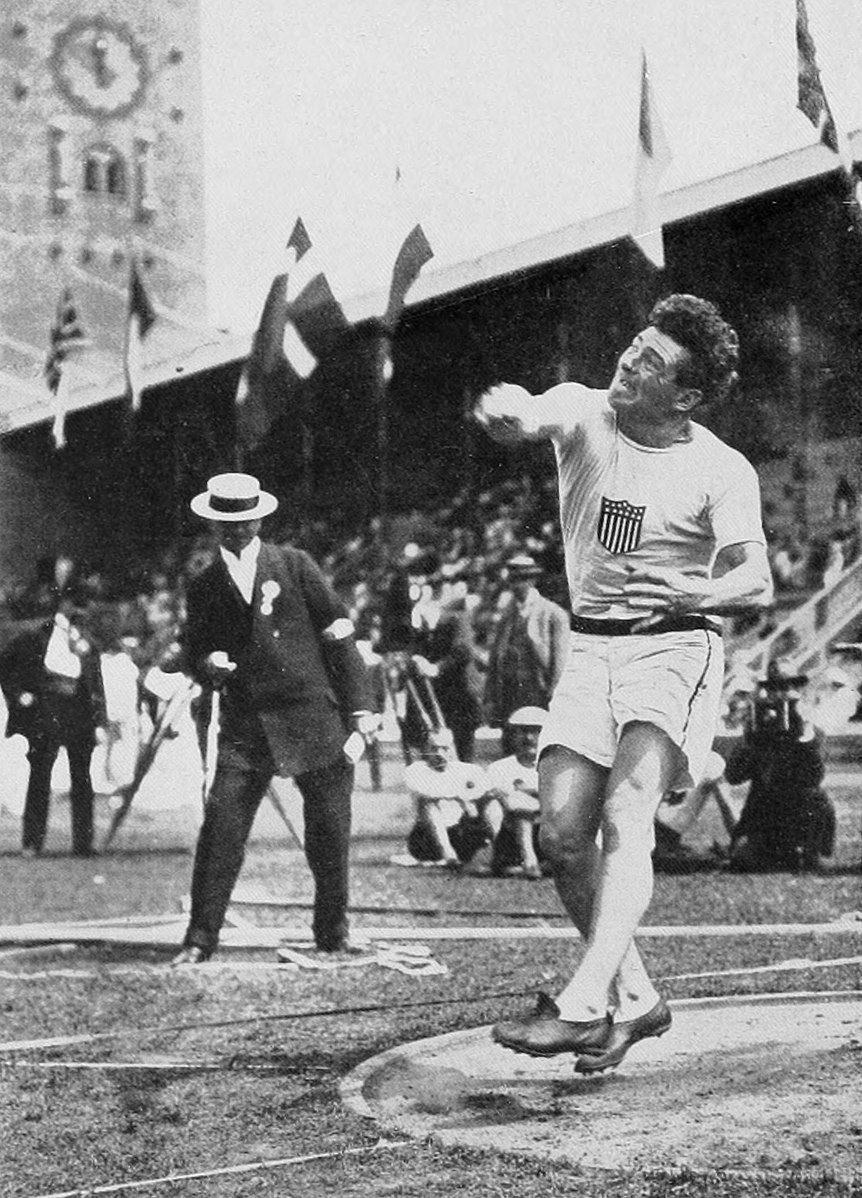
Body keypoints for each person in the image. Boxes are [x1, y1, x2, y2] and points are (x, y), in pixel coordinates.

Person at [474, 293, 773, 1073]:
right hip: (592, 649)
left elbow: (758, 581)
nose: (629, 363)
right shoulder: (585, 410)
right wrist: (511, 413)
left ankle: (580, 1005)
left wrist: (693, 594)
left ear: (689, 395)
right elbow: (535, 415)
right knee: (560, 836)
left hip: (675, 647)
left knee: (625, 809)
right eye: (634, 345)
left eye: (651, 363)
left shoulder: (719, 467)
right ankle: (638, 1001)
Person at [172, 473, 376, 964]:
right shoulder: (203, 583)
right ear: (214, 524)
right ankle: (200, 939)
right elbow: (194, 647)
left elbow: (338, 633)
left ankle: (332, 932)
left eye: (245, 521)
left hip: (313, 717)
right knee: (221, 828)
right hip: (247, 724)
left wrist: (361, 709)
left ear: (260, 517)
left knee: (329, 831)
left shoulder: (294, 565)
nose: (237, 531)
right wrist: (208, 663)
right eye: (227, 524)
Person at [0, 581, 104, 857]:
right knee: (40, 775)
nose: (80, 611)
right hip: (47, 706)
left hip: (78, 708)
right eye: (76, 604)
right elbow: (6, 666)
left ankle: (83, 844)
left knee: (82, 776)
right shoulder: (37, 635)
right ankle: (32, 842)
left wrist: (99, 720)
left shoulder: (86, 640)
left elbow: (96, 681)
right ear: (64, 604)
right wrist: (18, 695)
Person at [725, 665, 835, 872]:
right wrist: (750, 738)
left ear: (798, 692)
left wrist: (805, 737)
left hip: (799, 814)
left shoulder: (812, 731)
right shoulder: (760, 729)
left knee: (816, 798)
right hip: (765, 815)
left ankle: (806, 849)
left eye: (788, 687)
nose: (781, 694)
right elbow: (733, 776)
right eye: (775, 688)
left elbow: (814, 778)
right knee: (744, 860)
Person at [484, 554, 570, 753]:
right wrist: (491, 695)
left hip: (538, 690)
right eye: (513, 580)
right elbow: (496, 657)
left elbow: (561, 661)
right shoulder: (507, 615)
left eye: (522, 579)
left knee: (540, 744)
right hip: (509, 690)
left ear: (532, 580)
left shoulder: (553, 614)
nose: (517, 585)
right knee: (511, 745)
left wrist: (554, 692)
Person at [403, 726, 492, 870]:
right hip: (427, 839)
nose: (439, 754)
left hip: (460, 833)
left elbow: (486, 787)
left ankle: (497, 852)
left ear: (452, 748)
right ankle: (447, 853)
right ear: (426, 748)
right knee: (428, 805)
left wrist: (468, 798)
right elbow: (426, 793)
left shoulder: (465, 769)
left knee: (486, 804)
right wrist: (460, 796)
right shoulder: (416, 770)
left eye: (445, 748)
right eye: (434, 748)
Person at [483, 705, 548, 879]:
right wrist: (536, 796)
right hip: (512, 836)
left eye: (536, 732)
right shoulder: (499, 768)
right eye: (523, 731)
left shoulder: (554, 768)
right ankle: (528, 860)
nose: (529, 738)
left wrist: (529, 794)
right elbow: (509, 804)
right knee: (508, 808)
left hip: (547, 831)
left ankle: (535, 864)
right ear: (512, 735)